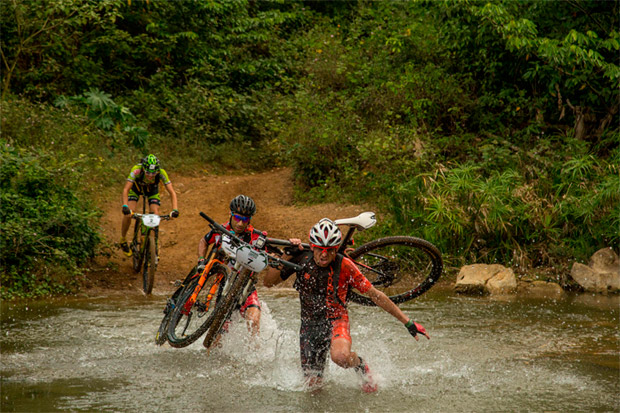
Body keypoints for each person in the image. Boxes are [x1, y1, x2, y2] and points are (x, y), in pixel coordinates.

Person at [263, 218, 429, 393]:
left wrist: (407, 322)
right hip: (309, 325)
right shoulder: (300, 258)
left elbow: (376, 296)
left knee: (341, 357)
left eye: (330, 250)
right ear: (312, 246)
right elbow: (268, 282)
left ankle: (361, 366)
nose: (324, 255)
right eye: (320, 249)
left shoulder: (345, 265)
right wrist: (286, 255)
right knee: (313, 388)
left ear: (336, 250)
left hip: (337, 320)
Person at [198, 194, 265, 341]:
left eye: (245, 220)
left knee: (254, 322)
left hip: (245, 287)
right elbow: (204, 241)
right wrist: (202, 260)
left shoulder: (255, 236)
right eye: (237, 218)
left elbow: (271, 253)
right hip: (224, 288)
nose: (240, 223)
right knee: (216, 340)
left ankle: (255, 357)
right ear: (230, 214)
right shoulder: (220, 230)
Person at [119, 154, 179, 256]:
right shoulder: (136, 170)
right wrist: (125, 206)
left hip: (152, 191)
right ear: (143, 168)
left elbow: (172, 192)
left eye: (153, 173)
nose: (150, 176)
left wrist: (175, 209)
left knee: (155, 213)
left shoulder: (161, 173)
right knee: (129, 212)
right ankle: (123, 239)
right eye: (147, 173)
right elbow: (126, 189)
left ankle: (154, 246)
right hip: (136, 189)